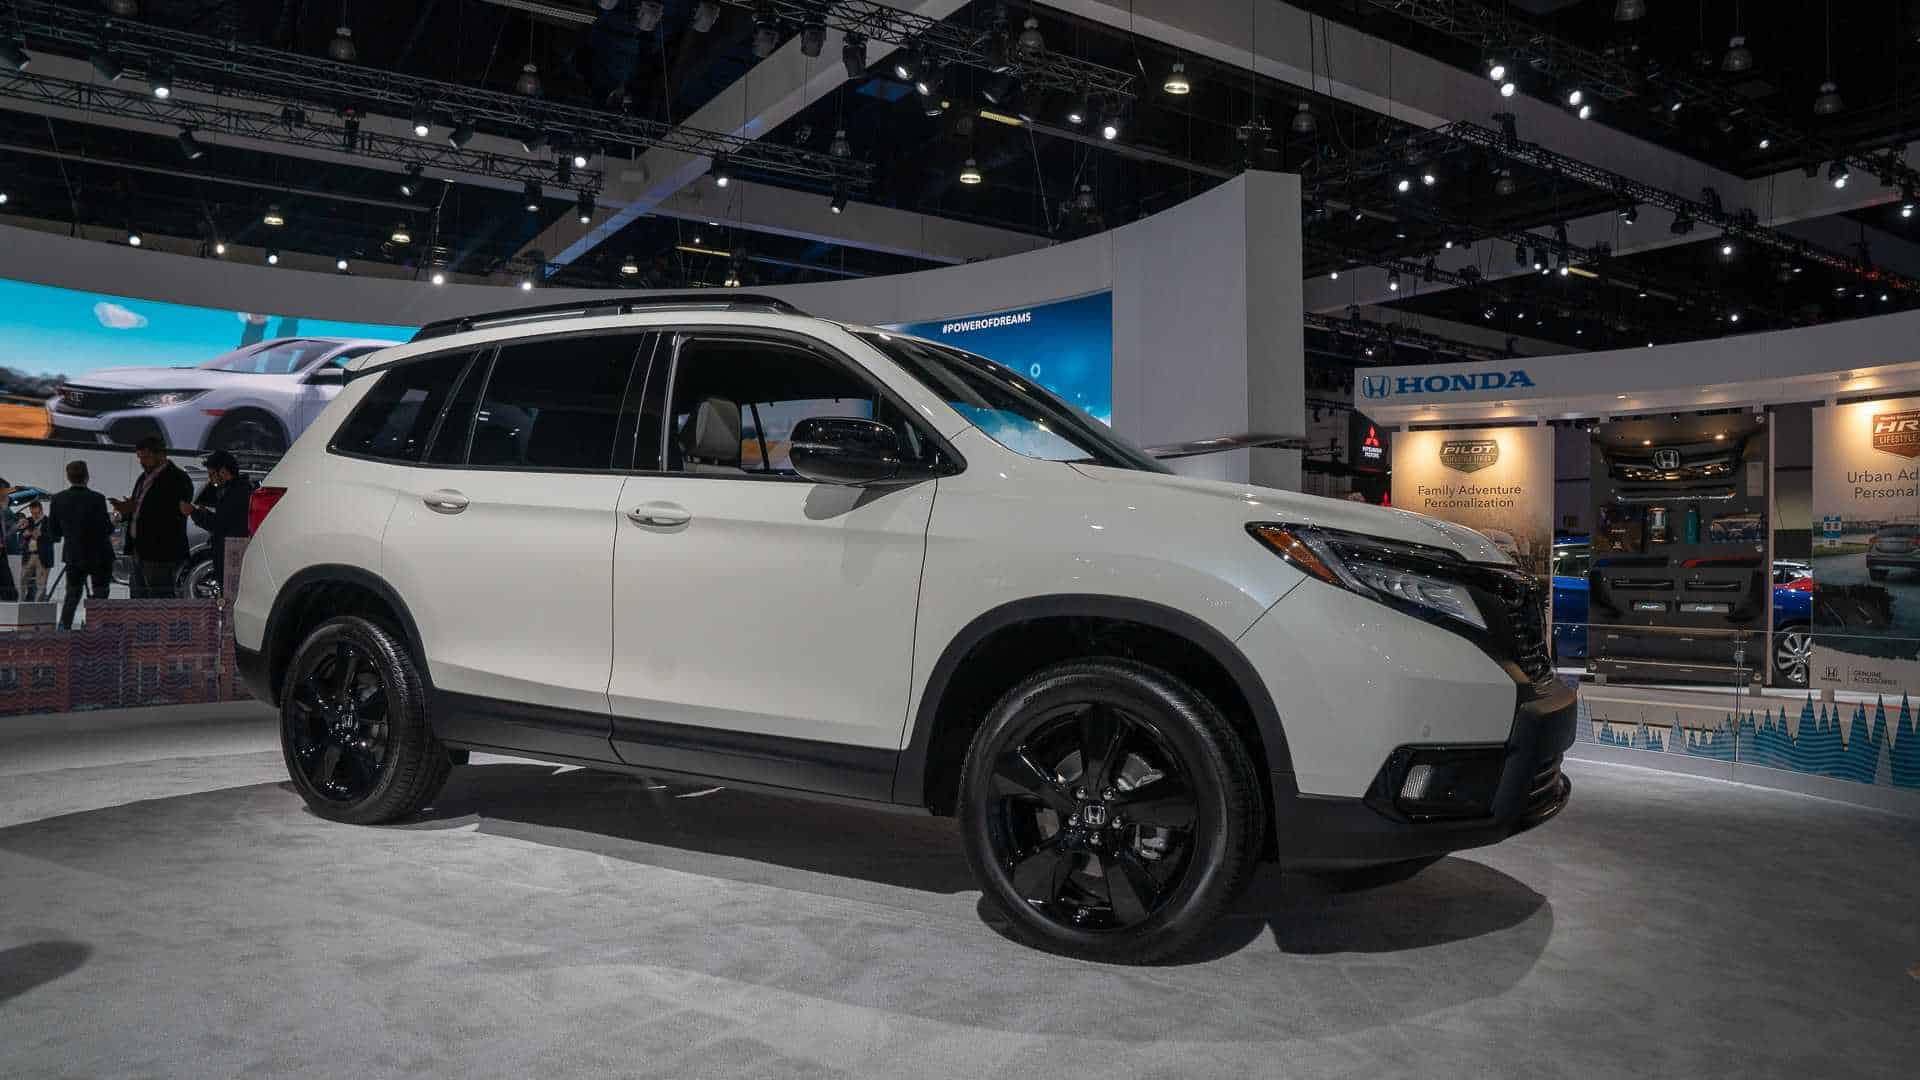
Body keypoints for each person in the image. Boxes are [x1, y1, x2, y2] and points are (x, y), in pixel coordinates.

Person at [112, 435, 194, 599]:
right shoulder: (143, 478)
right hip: (139, 549)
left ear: (161, 455)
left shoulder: (178, 478)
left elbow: (174, 514)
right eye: (139, 457)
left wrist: (140, 509)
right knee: (138, 597)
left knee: (159, 598)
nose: (142, 462)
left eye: (146, 457)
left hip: (161, 552)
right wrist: (129, 509)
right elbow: (143, 506)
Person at [47, 460, 116, 629]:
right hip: (99, 555)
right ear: (87, 476)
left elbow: (54, 532)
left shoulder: (57, 499)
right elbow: (106, 529)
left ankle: (64, 629)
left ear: (68, 477)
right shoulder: (97, 499)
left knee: (72, 595)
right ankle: (96, 630)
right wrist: (116, 519)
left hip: (74, 555)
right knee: (100, 596)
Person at [182, 450, 253, 596]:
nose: (210, 479)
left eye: (211, 474)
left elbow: (220, 525)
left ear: (223, 471)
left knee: (231, 594)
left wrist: (194, 513)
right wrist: (204, 514)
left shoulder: (237, 492)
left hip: (232, 551)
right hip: (228, 549)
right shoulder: (233, 489)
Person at [18, 500, 53, 603]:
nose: (34, 515)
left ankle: (38, 606)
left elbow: (55, 538)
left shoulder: (49, 522)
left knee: (40, 584)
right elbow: (20, 535)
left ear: (41, 510)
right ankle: (21, 603)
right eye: (32, 513)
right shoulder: (28, 521)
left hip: (42, 556)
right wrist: (24, 534)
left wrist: (41, 535)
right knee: (23, 580)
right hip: (28, 555)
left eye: (37, 513)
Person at [0, 475, 16, 602]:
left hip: (2, 553)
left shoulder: (3, 512)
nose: (8, 496)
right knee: (9, 593)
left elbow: (4, 536)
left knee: (9, 593)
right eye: (6, 492)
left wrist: (15, 527)